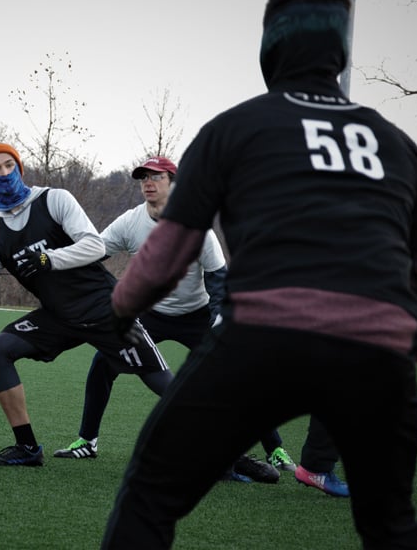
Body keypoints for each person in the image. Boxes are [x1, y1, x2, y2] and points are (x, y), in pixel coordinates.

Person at [101, 0, 417, 549]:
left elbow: (167, 256)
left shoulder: (235, 128)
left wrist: (119, 310)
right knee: (391, 526)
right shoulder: (397, 145)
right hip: (377, 357)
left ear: (271, 44)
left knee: (150, 494)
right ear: (340, 51)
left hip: (262, 341)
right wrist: (392, 358)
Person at [0, 142, 173, 466]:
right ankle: (27, 448)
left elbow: (94, 246)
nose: (5, 173)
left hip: (106, 309)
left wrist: (48, 258)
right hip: (60, 317)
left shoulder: (54, 200)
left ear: (20, 169)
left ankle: (227, 452)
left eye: (10, 166)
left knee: (164, 384)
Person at [53, 156, 293, 484]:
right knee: (103, 363)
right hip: (150, 314)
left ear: (174, 184)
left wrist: (218, 321)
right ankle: (87, 441)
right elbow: (93, 252)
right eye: (144, 178)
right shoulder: (130, 222)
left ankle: (275, 448)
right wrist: (57, 262)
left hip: (198, 314)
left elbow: (219, 278)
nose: (149, 183)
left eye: (157, 177)